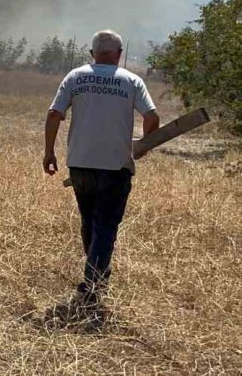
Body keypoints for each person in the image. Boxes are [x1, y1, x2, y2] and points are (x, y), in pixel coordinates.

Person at [43, 30, 160, 322]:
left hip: (80, 165)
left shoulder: (75, 76)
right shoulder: (132, 81)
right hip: (115, 167)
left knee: (90, 221)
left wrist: (49, 153)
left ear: (93, 54)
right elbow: (152, 117)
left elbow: (54, 114)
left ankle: (96, 270)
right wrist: (144, 146)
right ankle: (92, 285)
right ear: (119, 53)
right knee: (106, 226)